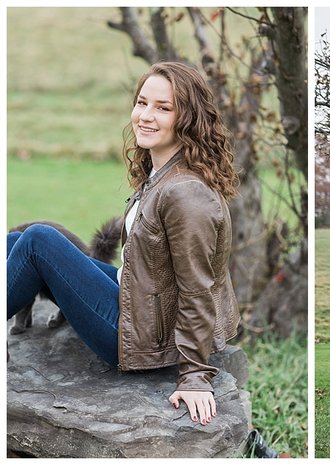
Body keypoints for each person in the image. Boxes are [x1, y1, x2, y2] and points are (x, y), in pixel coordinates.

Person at [6, 61, 240, 425]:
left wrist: (195, 376)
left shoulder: (186, 194)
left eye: (163, 108)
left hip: (138, 339)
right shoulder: (164, 172)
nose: (146, 116)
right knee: (18, 239)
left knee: (39, 241)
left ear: (188, 119)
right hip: (139, 305)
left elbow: (198, 289)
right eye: (142, 102)